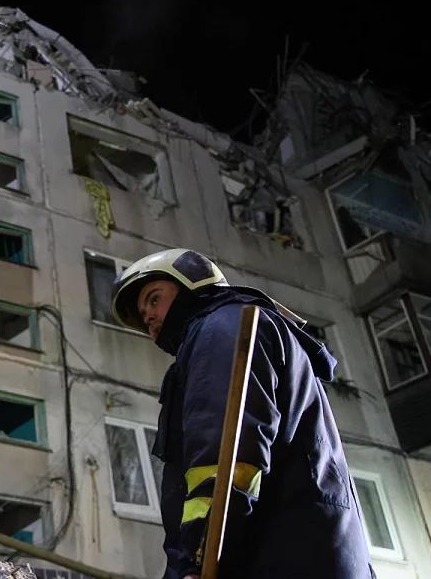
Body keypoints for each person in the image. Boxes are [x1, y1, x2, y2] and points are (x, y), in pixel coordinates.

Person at [109, 248, 374, 578]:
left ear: (193, 283)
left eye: (153, 298)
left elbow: (226, 452)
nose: (147, 315)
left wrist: (197, 558)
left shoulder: (222, 328)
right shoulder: (224, 331)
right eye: (142, 311)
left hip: (278, 557)